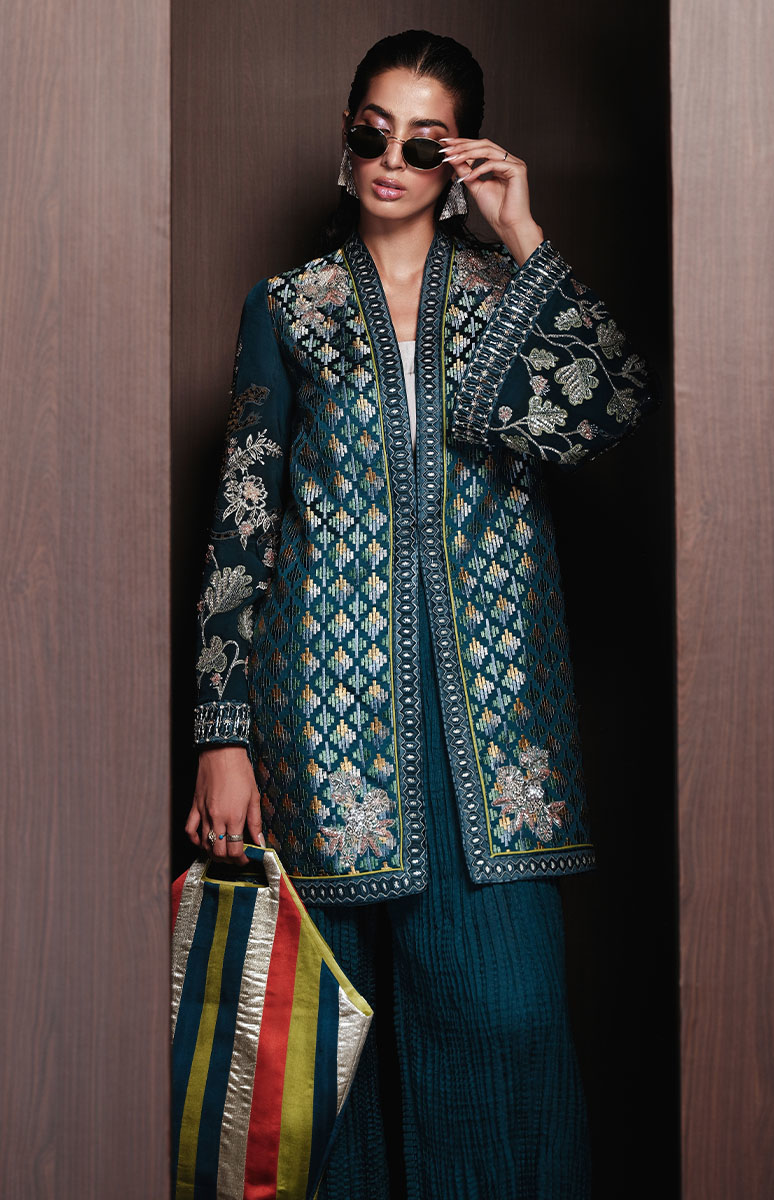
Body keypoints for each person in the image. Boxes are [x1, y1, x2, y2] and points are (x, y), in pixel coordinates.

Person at [184, 28, 658, 1200]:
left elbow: (613, 406)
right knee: (330, 1056)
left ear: (461, 160)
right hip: (319, 729)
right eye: (371, 134)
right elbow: (242, 522)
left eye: (422, 143)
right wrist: (221, 735)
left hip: (494, 730)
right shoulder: (287, 309)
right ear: (345, 143)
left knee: (505, 1021)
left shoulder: (506, 297)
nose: (390, 161)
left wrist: (524, 234)